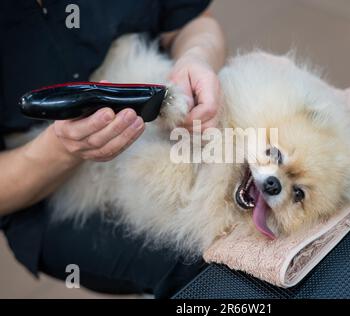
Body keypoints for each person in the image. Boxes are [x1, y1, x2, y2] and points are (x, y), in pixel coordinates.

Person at [0, 0, 225, 298]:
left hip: (165, 109)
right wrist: (63, 150)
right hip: (44, 189)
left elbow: (194, 21)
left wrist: (196, 58)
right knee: (204, 267)